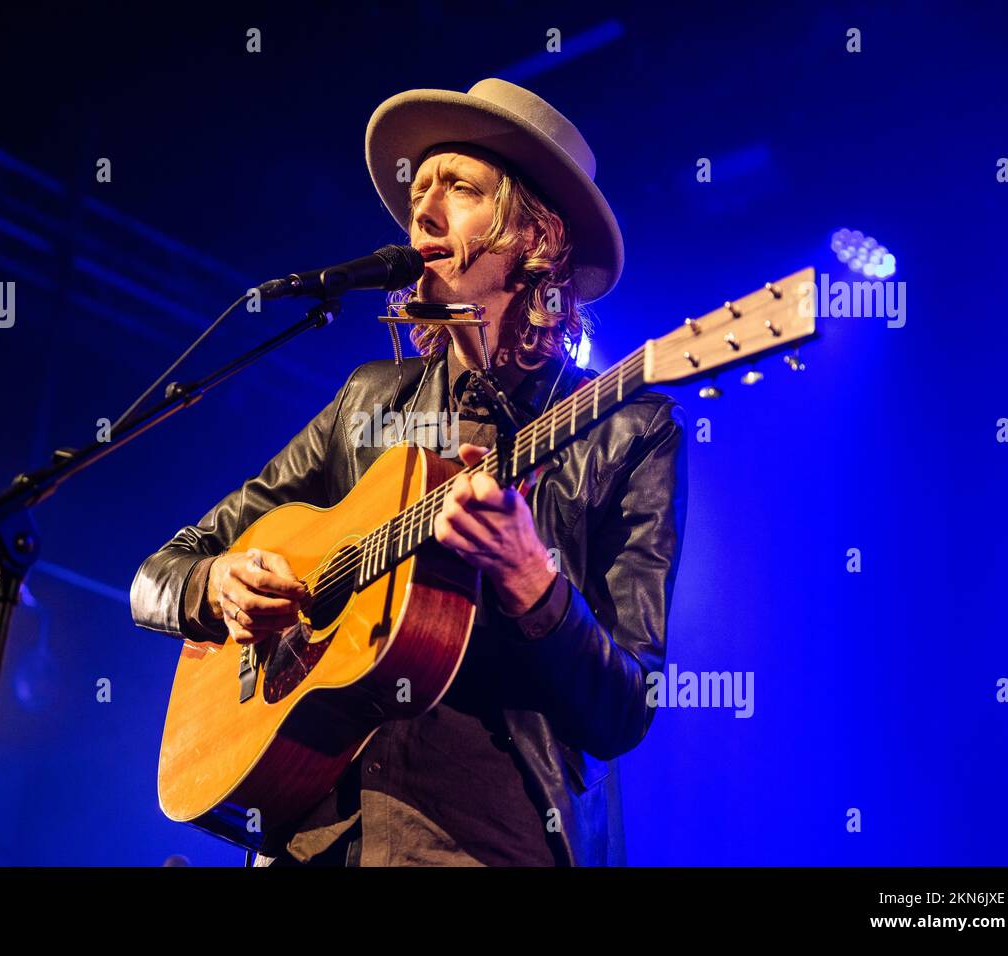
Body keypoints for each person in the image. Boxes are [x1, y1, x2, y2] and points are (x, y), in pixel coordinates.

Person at [130, 78, 687, 866]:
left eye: (457, 188)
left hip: (489, 841)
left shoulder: (628, 429)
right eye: (417, 189)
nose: (420, 209)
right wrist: (216, 583)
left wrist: (533, 581)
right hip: (308, 839)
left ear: (536, 237)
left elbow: (627, 707)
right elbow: (159, 572)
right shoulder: (368, 401)